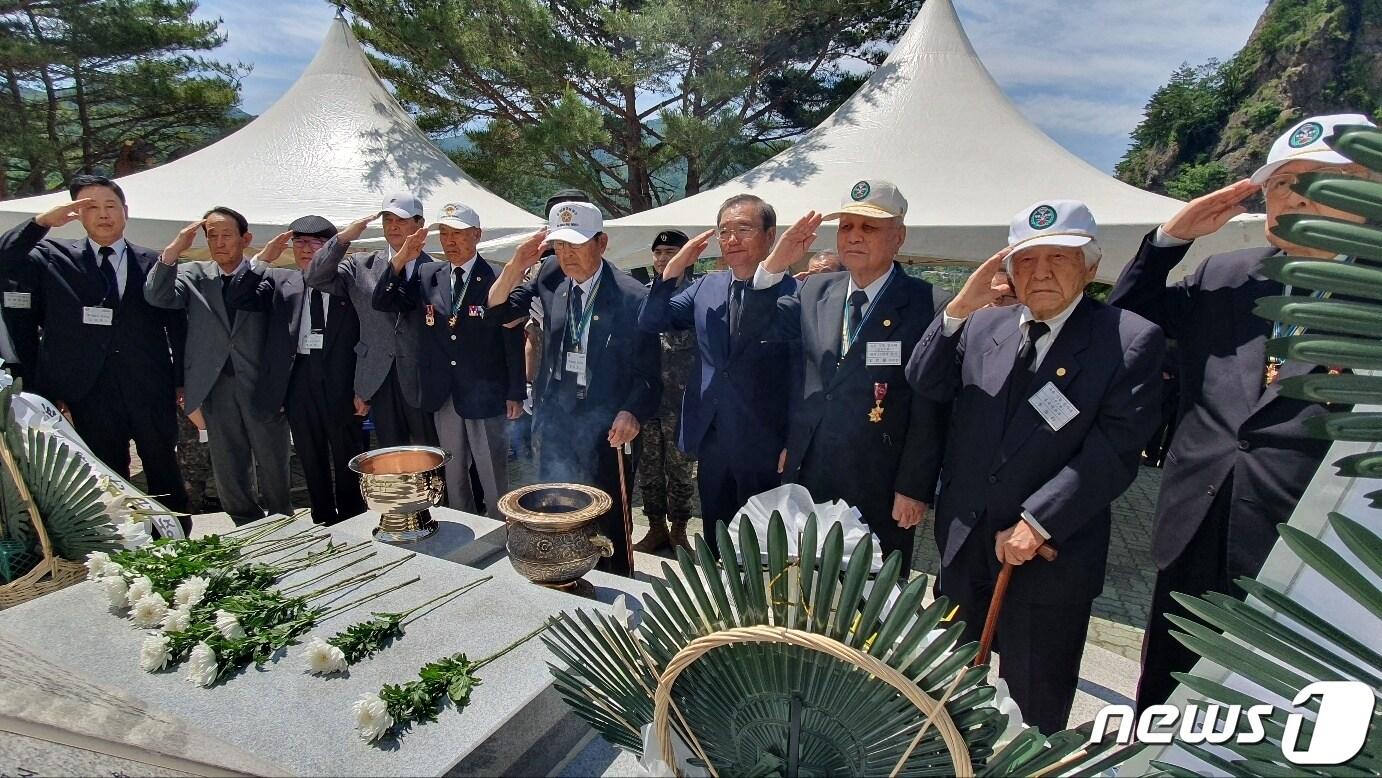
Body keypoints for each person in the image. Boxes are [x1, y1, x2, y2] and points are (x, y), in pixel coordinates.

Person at [1108, 113, 1378, 711]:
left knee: (1279, 710)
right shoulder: (1228, 274)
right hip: (1194, 526)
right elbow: (1127, 323)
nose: (1293, 195)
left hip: (1311, 553)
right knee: (1167, 697)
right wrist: (1169, 242)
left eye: (1318, 179)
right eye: (1280, 183)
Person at [907, 200, 1165, 734]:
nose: (1040, 272)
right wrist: (958, 308)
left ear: (1091, 267)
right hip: (964, 544)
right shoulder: (984, 327)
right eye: (1026, 260)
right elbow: (926, 383)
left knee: (1034, 702)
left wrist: (1038, 520)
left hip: (1049, 554)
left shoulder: (1128, 338)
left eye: (1059, 257)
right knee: (945, 689)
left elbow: (1115, 451)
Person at [744, 180, 951, 570]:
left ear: (899, 236)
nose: (854, 237)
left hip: (880, 481)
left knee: (868, 597)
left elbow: (931, 408)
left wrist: (914, 487)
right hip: (810, 469)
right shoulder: (816, 289)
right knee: (805, 580)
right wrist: (774, 263)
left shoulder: (929, 304)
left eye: (869, 228)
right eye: (846, 227)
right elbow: (759, 332)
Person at [486, 202, 661, 577]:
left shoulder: (631, 295)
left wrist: (633, 411)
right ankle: (561, 574)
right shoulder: (549, 275)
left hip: (606, 424)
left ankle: (614, 581)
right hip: (555, 418)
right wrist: (517, 264)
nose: (566, 255)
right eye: (559, 245)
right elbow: (498, 312)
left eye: (576, 244)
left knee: (607, 511)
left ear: (601, 243)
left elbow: (649, 372)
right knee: (557, 506)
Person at [0, 175, 187, 514]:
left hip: (149, 388)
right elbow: (6, 257)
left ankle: (176, 543)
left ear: (125, 212)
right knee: (109, 477)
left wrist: (180, 380)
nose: (103, 214)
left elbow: (177, 326)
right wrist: (42, 223)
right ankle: (125, 550)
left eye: (111, 206)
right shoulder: (54, 258)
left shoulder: (155, 261)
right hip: (89, 392)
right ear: (77, 215)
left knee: (165, 472)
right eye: (91, 207)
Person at [639, 201, 798, 555]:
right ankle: (716, 601)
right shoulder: (707, 287)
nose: (732, 239)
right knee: (716, 531)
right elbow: (652, 320)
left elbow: (800, 374)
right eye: (724, 231)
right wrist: (675, 267)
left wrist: (794, 438)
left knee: (760, 540)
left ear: (770, 237)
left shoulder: (794, 293)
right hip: (711, 434)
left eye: (743, 229)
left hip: (763, 441)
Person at [373, 203, 524, 517]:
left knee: (491, 471)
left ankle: (500, 531)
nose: (450, 241)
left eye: (458, 233)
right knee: (452, 472)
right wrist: (402, 256)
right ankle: (465, 526)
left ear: (477, 235)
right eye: (444, 233)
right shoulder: (429, 273)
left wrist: (515, 392)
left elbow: (511, 338)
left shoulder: (495, 276)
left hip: (485, 392)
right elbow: (384, 301)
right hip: (444, 392)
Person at [146, 207, 291, 524]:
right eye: (212, 235)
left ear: (245, 238)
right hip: (215, 384)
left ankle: (283, 519)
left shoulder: (268, 276)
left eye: (227, 234)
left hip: (260, 382)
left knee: (272, 457)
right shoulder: (192, 274)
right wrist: (173, 251)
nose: (220, 242)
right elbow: (157, 296)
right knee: (227, 460)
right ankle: (244, 520)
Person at [226, 215, 366, 525]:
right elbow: (239, 296)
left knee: (347, 449)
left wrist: (362, 387)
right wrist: (263, 259)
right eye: (299, 242)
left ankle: (354, 516)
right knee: (308, 450)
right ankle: (323, 517)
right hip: (298, 374)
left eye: (316, 243)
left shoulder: (348, 282)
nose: (306, 249)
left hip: (341, 376)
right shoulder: (280, 280)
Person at [305, 193, 436, 447]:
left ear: (420, 224)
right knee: (391, 454)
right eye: (388, 220)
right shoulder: (360, 265)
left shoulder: (435, 269)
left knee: (429, 453)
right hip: (377, 375)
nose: (393, 226)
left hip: (422, 376)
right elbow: (315, 277)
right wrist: (343, 238)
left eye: (402, 219)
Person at [631, 230, 699, 553]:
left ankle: (680, 530)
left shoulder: (698, 296)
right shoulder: (643, 296)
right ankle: (656, 528)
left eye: (671, 252)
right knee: (649, 468)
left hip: (682, 401)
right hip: (648, 402)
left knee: (681, 469)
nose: (662, 259)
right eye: (658, 252)